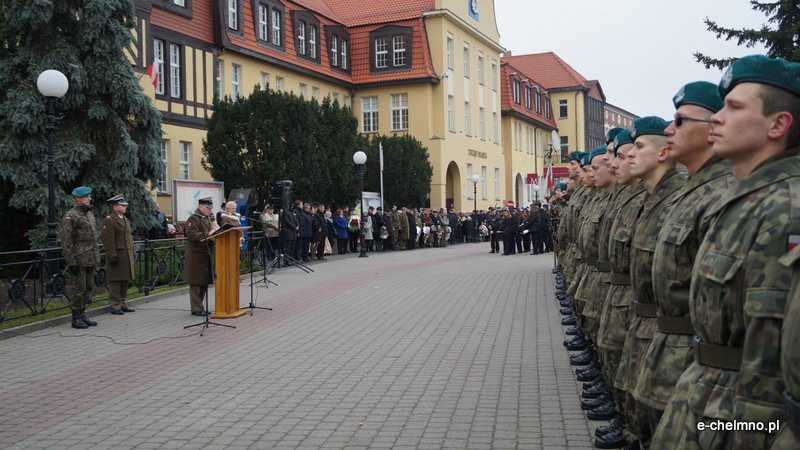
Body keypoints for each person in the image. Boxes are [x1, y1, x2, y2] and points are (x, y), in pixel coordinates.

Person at [653, 55, 800, 449]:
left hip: (737, 416)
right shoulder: (745, 197)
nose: (717, 118)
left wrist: (749, 433)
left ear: (778, 124)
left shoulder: (786, 209)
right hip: (708, 396)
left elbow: (771, 364)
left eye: (733, 107)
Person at [634, 81, 733, 444]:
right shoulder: (695, 190)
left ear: (712, 128)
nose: (668, 129)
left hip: (698, 357)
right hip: (673, 347)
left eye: (679, 120)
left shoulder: (721, 193)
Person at [60, 186, 101, 329]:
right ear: (77, 199)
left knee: (89, 288)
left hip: (91, 258)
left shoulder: (89, 214)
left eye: (89, 196)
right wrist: (71, 263)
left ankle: (83, 314)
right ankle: (76, 317)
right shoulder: (71, 216)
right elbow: (67, 242)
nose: (89, 198)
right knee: (79, 289)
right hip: (79, 259)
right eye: (86, 196)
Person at [101, 194, 135, 315]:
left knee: (125, 280)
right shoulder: (109, 220)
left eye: (125, 205)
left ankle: (122, 303)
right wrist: (112, 255)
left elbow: (128, 238)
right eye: (122, 205)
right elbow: (108, 239)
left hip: (126, 255)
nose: (125, 206)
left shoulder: (125, 219)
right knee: (115, 281)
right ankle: (115, 305)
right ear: (115, 207)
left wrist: (132, 252)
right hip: (117, 255)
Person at [184, 196, 215, 316]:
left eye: (210, 208)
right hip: (196, 256)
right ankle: (196, 309)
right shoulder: (193, 218)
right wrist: (208, 234)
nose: (210, 210)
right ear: (201, 206)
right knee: (196, 283)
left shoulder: (206, 218)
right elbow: (191, 235)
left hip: (205, 254)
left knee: (203, 282)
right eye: (208, 208)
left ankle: (200, 307)